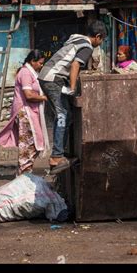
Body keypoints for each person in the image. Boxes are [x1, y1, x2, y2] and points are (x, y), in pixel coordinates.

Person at [38, 20, 107, 174]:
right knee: (62, 114)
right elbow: (75, 65)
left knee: (64, 115)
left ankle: (61, 153)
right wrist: (73, 87)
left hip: (47, 76)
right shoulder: (87, 46)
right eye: (101, 40)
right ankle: (56, 158)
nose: (100, 43)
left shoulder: (76, 39)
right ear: (97, 36)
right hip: (53, 78)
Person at [0, 50, 49, 175]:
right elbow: (29, 95)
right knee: (28, 144)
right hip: (25, 113)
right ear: (32, 61)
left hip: (31, 112)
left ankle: (26, 172)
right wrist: (46, 97)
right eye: (40, 63)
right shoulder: (25, 73)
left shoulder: (31, 73)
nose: (41, 66)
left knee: (34, 143)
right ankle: (24, 174)